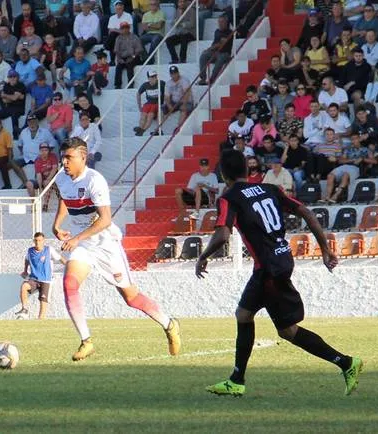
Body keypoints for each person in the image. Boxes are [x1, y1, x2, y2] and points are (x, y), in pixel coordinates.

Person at [196, 149, 362, 397]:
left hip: (269, 269)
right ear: (247, 170)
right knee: (244, 314)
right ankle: (237, 379)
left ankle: (346, 363)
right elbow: (306, 212)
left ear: (223, 174)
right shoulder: (269, 189)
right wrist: (326, 249)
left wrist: (203, 256)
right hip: (279, 261)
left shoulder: (229, 197)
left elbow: (223, 234)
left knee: (287, 330)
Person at [53, 137, 181, 361]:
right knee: (69, 284)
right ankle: (86, 341)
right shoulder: (62, 179)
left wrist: (76, 238)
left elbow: (104, 220)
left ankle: (169, 324)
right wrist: (57, 225)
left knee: (131, 298)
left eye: (69, 158)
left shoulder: (95, 181)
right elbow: (65, 199)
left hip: (105, 244)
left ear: (83, 158)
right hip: (83, 245)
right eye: (63, 157)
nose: (64, 162)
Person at [16, 232, 66, 319]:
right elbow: (27, 259)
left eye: (39, 240)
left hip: (46, 280)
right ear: (33, 241)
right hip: (33, 279)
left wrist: (70, 266)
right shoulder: (30, 251)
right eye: (36, 240)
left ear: (43, 241)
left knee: (42, 309)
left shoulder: (49, 250)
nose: (37, 242)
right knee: (24, 286)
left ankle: (40, 319)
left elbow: (60, 258)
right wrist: (25, 271)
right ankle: (24, 309)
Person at [198, 15, 232, 85]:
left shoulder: (229, 32)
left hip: (225, 53)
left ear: (226, 22)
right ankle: (203, 78)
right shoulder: (217, 31)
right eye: (219, 22)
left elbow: (220, 44)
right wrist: (209, 50)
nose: (220, 24)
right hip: (216, 52)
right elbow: (215, 43)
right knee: (203, 55)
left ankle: (212, 79)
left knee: (220, 60)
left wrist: (211, 48)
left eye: (222, 22)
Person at [26, 142, 59, 211]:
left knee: (47, 182)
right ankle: (33, 204)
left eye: (46, 150)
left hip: (53, 179)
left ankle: (45, 205)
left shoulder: (53, 156)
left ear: (48, 150)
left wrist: (48, 179)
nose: (44, 152)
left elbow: (54, 168)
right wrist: (40, 187)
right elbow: (38, 175)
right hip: (42, 179)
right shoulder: (38, 160)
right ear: (39, 151)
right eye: (42, 150)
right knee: (29, 184)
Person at [161, 65, 193, 134]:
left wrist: (184, 104)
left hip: (186, 101)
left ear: (178, 73)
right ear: (170, 74)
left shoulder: (184, 80)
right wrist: (169, 105)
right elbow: (166, 97)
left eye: (175, 73)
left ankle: (178, 128)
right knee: (162, 108)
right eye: (172, 74)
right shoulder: (168, 83)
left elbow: (187, 93)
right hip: (175, 102)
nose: (174, 75)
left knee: (184, 109)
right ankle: (159, 130)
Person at [134, 69, 165, 136]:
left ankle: (143, 130)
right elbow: (138, 94)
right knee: (143, 115)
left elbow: (168, 90)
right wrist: (139, 106)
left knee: (150, 116)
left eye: (155, 76)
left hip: (157, 104)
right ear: (148, 78)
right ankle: (140, 129)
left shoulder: (161, 83)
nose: (154, 78)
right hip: (148, 103)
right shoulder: (145, 85)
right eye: (152, 77)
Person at [113, 21, 143, 90]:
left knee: (130, 65)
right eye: (123, 28)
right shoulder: (118, 38)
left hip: (135, 56)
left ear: (129, 28)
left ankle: (131, 85)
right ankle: (118, 85)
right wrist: (119, 59)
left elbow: (139, 49)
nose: (125, 29)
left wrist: (133, 57)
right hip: (123, 57)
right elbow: (116, 51)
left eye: (126, 27)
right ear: (120, 29)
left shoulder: (134, 37)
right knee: (118, 67)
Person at [165, 0, 195, 64]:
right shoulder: (177, 11)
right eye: (180, 2)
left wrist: (181, 23)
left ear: (186, 2)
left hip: (190, 33)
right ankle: (175, 59)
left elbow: (192, 24)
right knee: (168, 40)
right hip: (180, 33)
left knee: (183, 37)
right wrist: (177, 21)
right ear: (178, 3)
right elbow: (172, 22)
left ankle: (182, 59)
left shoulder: (191, 10)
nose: (182, 3)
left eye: (183, 1)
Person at [105, 0, 133, 65]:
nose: (119, 10)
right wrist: (117, 30)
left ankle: (107, 49)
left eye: (120, 8)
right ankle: (112, 60)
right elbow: (109, 31)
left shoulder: (127, 16)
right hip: (115, 37)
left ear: (123, 8)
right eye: (117, 9)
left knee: (113, 35)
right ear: (115, 9)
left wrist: (115, 29)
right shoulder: (112, 18)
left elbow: (128, 31)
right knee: (113, 37)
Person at [140, 0, 165, 64]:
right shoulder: (145, 15)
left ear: (157, 5)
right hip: (148, 34)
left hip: (159, 34)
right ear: (149, 6)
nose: (153, 6)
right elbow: (144, 28)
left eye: (154, 4)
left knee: (154, 40)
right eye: (151, 4)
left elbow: (159, 26)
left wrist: (149, 24)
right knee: (138, 40)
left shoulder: (161, 13)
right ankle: (146, 58)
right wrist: (154, 25)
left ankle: (150, 60)